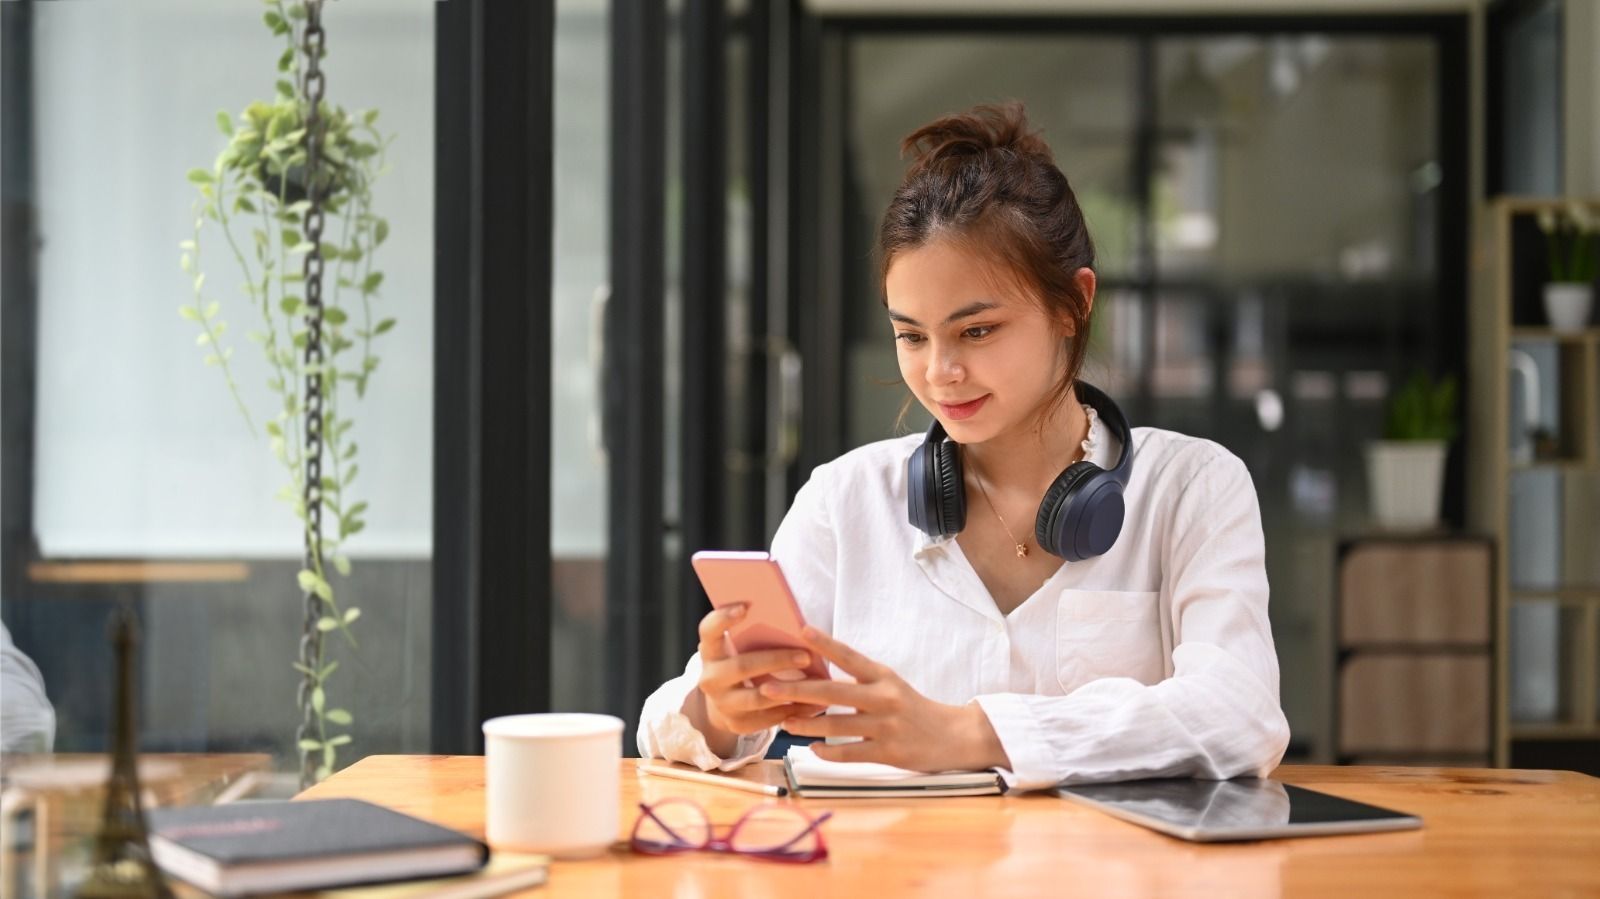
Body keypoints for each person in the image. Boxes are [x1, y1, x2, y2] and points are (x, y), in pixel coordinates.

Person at [638, 102, 1289, 790]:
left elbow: (1238, 711)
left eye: (976, 331)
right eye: (912, 336)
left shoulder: (1192, 487)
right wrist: (720, 706)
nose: (940, 372)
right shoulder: (846, 500)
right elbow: (668, 726)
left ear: (1073, 302)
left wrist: (968, 732)